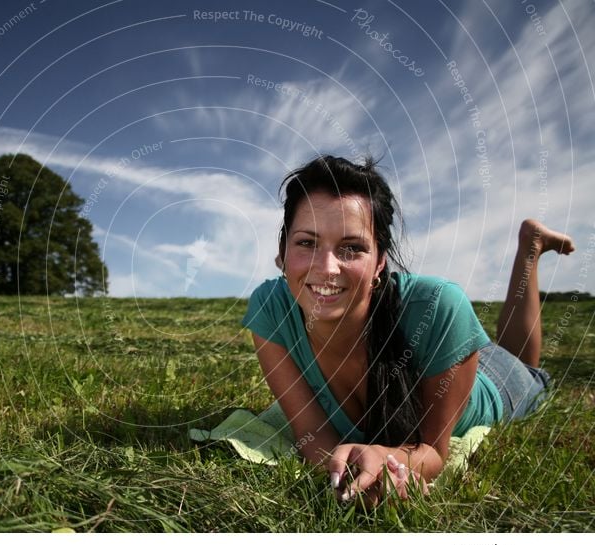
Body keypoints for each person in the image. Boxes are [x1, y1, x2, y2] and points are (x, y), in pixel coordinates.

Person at [242, 155, 575, 506]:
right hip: (448, 351)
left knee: (526, 365)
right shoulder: (270, 310)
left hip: (493, 380)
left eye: (351, 248)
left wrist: (393, 461)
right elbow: (313, 439)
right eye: (307, 243)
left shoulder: (440, 305)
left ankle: (530, 249)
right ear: (282, 254)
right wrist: (352, 473)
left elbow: (432, 452)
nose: (327, 268)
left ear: (380, 262)